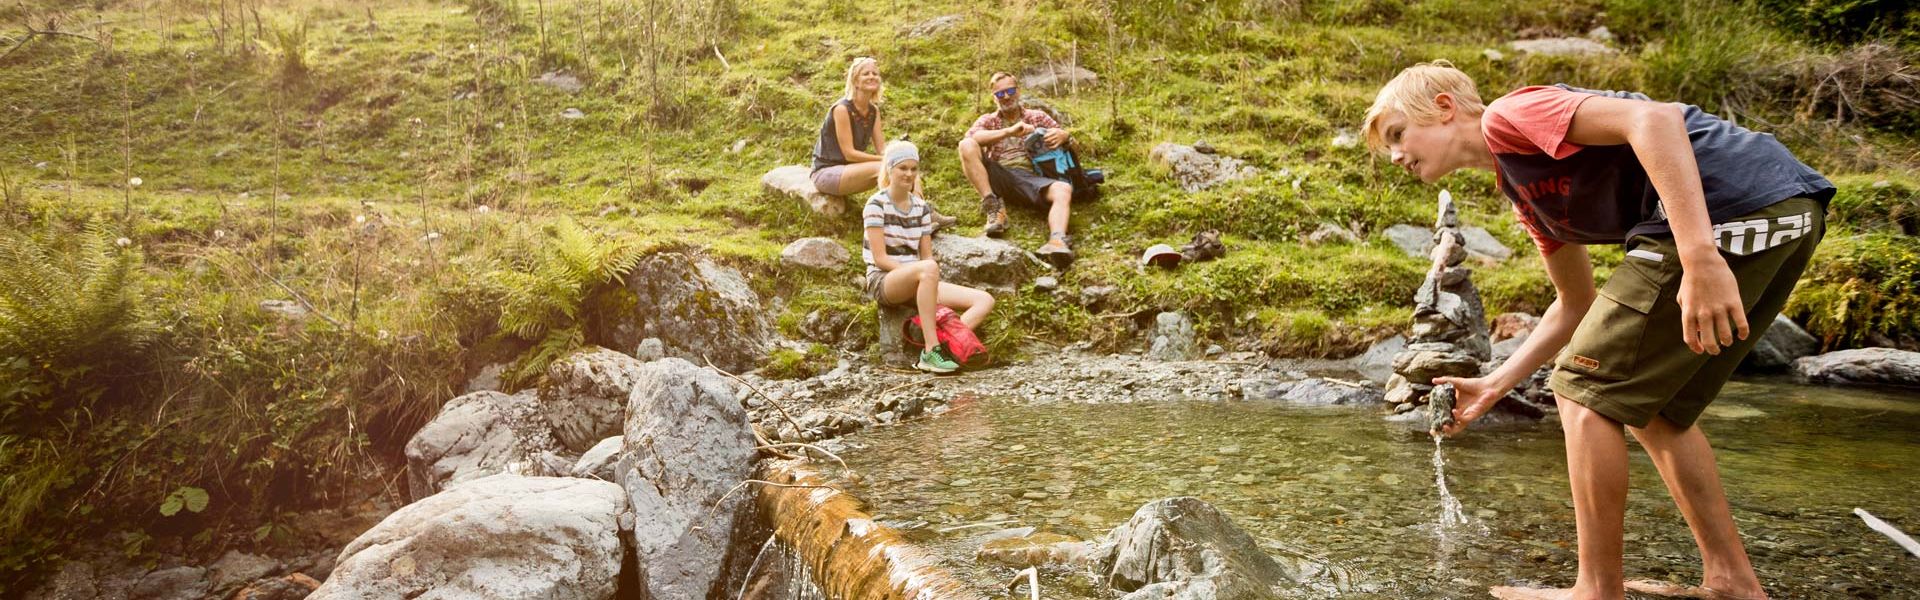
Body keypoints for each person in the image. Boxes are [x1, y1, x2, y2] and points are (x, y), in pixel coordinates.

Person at [1362, 60, 1833, 600]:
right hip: (1786, 210)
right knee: (1658, 408)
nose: (1396, 155)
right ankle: (1732, 581)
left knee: (1584, 393)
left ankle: (1596, 590)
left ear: (1444, 108)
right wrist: (1495, 384)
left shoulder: (1511, 115)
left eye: (1398, 134)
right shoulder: (1527, 195)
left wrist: (1699, 254)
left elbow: (1653, 121)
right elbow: (1575, 303)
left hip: (1736, 205)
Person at [862, 141, 996, 374]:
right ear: (890, 169)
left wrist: (924, 277)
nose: (909, 174)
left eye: (913, 169)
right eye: (902, 168)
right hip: (884, 281)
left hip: (919, 279)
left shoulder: (921, 208)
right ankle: (930, 351)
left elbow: (926, 256)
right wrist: (918, 274)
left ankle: (945, 343)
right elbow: (880, 258)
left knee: (984, 300)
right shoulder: (876, 205)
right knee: (928, 268)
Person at [811, 57, 957, 230]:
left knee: (907, 167)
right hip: (827, 172)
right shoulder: (842, 109)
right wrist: (887, 160)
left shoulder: (873, 111)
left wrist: (900, 157)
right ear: (855, 81)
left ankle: (922, 213)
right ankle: (899, 219)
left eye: (875, 74)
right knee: (885, 167)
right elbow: (848, 153)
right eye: (866, 74)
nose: (872, 77)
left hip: (852, 171)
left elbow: (882, 149)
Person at [957, 71, 1076, 267]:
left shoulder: (1037, 116)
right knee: (966, 145)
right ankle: (993, 206)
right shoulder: (988, 120)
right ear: (994, 98)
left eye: (1010, 90)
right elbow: (972, 138)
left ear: (1018, 91)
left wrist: (1065, 136)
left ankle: (1057, 240)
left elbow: (1073, 146)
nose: (1006, 96)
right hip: (998, 174)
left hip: (1032, 177)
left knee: (1063, 189)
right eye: (1000, 93)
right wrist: (1009, 132)